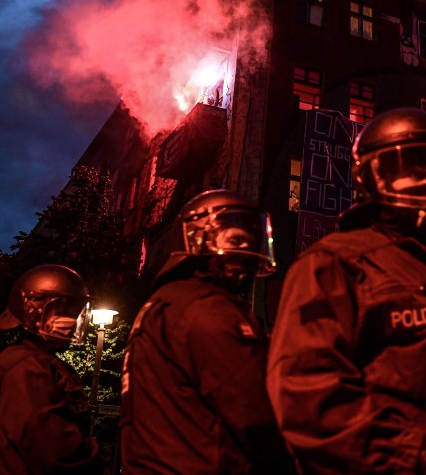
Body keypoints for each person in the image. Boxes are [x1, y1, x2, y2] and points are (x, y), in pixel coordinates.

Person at [267, 107, 426, 475]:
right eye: (418, 167)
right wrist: (420, 459)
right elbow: (308, 397)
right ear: (376, 176)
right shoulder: (334, 266)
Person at [120, 189, 296, 474]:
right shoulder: (205, 307)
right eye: (236, 241)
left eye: (252, 244)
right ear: (197, 239)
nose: (246, 254)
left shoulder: (167, 303)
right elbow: (253, 411)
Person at [0, 264, 102, 475]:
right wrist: (93, 454)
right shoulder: (26, 367)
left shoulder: (30, 361)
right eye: (61, 311)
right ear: (31, 308)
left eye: (74, 313)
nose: (71, 321)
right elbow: (53, 450)